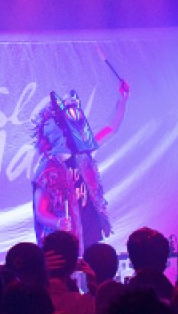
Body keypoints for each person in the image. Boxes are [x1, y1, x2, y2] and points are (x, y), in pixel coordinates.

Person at [30, 81, 129, 253]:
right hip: (66, 241)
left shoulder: (83, 154)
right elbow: (40, 211)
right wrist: (57, 222)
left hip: (90, 229)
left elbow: (111, 129)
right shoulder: (47, 169)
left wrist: (122, 100)